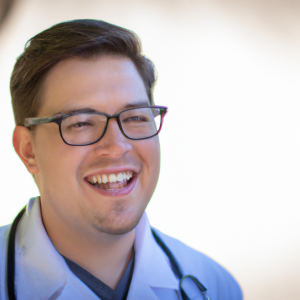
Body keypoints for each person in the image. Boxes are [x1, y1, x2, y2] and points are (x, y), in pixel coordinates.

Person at [0, 19, 243, 300]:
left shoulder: (217, 287)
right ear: (28, 150)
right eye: (80, 123)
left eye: (135, 117)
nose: (116, 147)